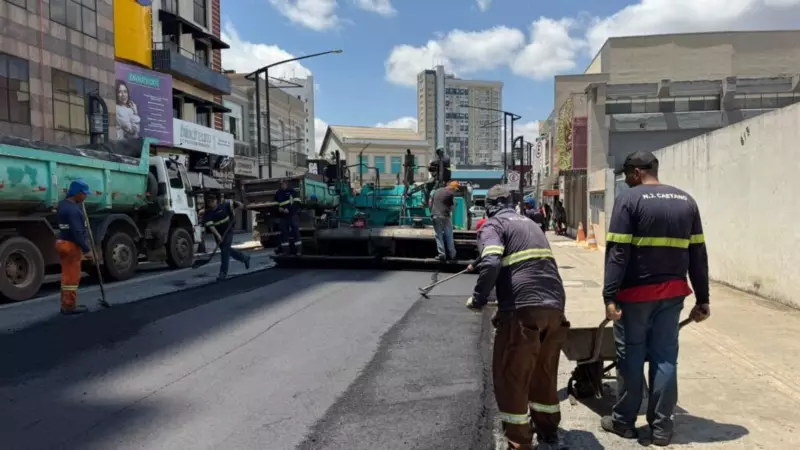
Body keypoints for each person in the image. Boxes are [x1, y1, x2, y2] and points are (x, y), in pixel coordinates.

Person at [601, 150, 710, 446]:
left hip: (635, 295)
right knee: (665, 358)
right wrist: (703, 298)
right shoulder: (687, 201)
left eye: (626, 175)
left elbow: (618, 252)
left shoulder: (629, 200)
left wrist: (609, 296)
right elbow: (697, 254)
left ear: (637, 172)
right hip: (673, 294)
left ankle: (624, 422)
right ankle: (662, 430)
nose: (626, 181)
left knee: (631, 358)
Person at [466, 185, 570, 450]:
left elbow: (492, 262)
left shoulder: (492, 224)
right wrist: (479, 261)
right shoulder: (529, 222)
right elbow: (516, 255)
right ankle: (548, 433)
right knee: (543, 373)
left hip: (523, 309)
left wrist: (479, 298)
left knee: (512, 375)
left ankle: (518, 442)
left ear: (490, 206)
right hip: (555, 306)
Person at [56, 179, 93, 315]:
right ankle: (69, 306)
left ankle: (66, 303)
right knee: (72, 277)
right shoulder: (73, 210)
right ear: (77, 193)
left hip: (62, 242)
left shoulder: (63, 205)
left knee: (66, 275)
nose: (85, 196)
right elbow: (77, 232)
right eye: (84, 194)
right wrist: (86, 250)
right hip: (71, 245)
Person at [202, 194, 251, 281]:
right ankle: (244, 258)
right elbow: (211, 227)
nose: (211, 204)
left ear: (216, 201)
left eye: (212, 201)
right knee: (227, 250)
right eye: (209, 202)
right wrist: (218, 236)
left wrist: (240, 204)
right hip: (218, 234)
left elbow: (234, 203)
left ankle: (223, 273)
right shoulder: (208, 214)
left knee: (225, 251)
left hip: (228, 232)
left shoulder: (224, 206)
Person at [430, 180, 459, 261]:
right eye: (454, 189)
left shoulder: (437, 191)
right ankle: (452, 255)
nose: (454, 191)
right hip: (445, 217)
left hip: (435, 215)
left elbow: (430, 203)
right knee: (449, 235)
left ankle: (442, 255)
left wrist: (432, 213)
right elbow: (453, 209)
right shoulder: (450, 194)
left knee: (439, 235)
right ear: (452, 188)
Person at [275, 180, 303, 256]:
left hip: (292, 215)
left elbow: (297, 203)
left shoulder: (292, 191)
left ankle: (299, 251)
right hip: (283, 216)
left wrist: (289, 210)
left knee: (295, 232)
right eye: (281, 184)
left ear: (286, 184)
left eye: (283, 184)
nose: (282, 185)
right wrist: (279, 209)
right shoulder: (278, 193)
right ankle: (285, 252)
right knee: (284, 233)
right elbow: (276, 204)